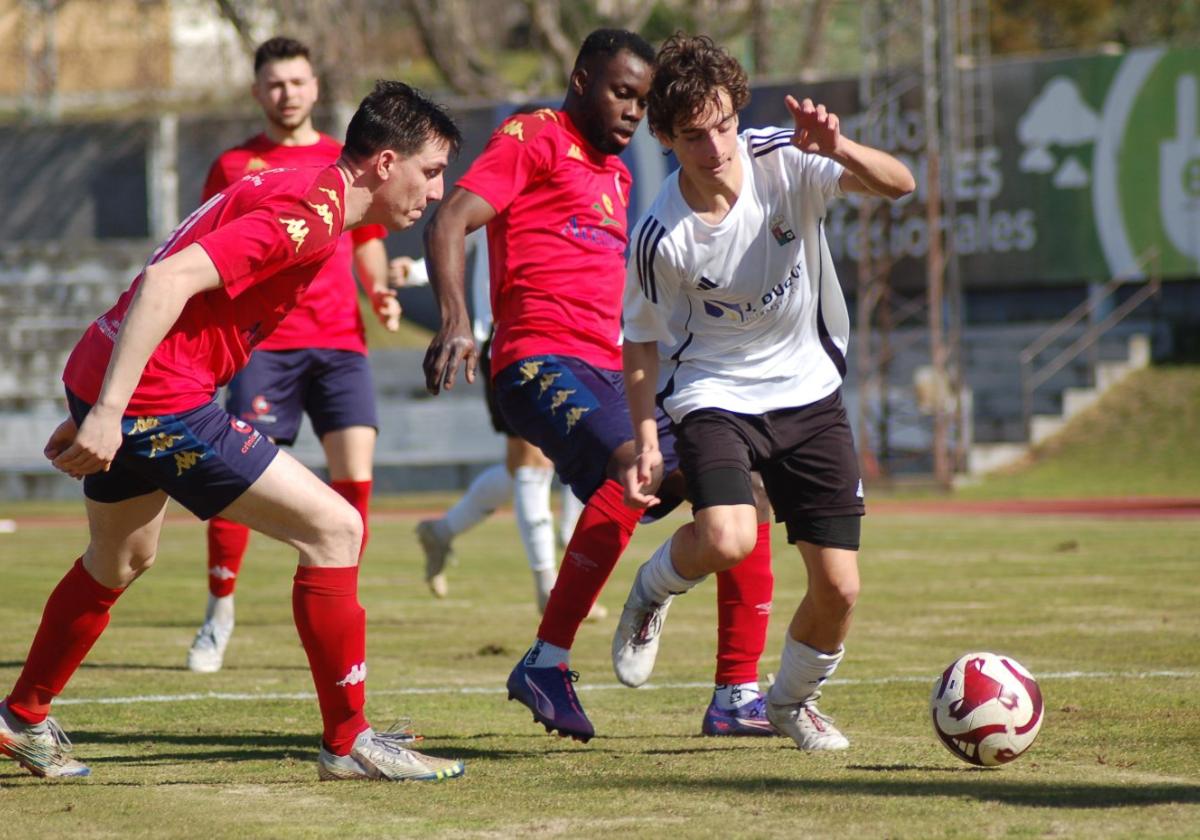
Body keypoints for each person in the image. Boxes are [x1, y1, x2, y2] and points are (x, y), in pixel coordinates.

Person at [0, 81, 467, 782]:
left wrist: (97, 397)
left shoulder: (301, 192)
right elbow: (166, 281)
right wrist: (106, 412)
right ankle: (349, 742)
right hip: (157, 399)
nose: (435, 192)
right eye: (430, 172)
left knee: (118, 561)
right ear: (383, 162)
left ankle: (19, 719)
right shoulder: (308, 215)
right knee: (335, 529)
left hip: (120, 380)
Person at [422, 29, 777, 742]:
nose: (631, 111)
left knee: (745, 492)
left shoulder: (618, 177)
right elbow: (451, 217)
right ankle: (546, 663)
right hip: (535, 362)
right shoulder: (533, 135)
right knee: (631, 466)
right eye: (621, 92)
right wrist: (457, 320)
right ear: (581, 79)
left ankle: (736, 695)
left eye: (641, 101)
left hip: (609, 366)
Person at [615, 34, 915, 751]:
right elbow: (640, 339)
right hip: (713, 393)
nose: (715, 147)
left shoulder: (784, 158)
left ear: (736, 114)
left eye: (723, 125)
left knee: (840, 589)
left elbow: (900, 183)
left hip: (810, 392)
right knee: (727, 535)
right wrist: (648, 440)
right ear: (664, 136)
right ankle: (652, 591)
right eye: (693, 136)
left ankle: (789, 702)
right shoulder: (663, 235)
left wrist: (837, 148)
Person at [186, 37, 399, 674]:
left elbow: (365, 239)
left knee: (355, 471)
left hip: (340, 341)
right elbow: (207, 243)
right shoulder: (233, 164)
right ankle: (218, 608)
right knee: (236, 474)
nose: (288, 93)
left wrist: (380, 290)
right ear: (259, 92)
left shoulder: (344, 158)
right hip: (266, 344)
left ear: (314, 87)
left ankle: (344, 605)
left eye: (298, 82)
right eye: (275, 84)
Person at [392, 242, 589, 612]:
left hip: (566, 336)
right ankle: (550, 588)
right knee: (533, 461)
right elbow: (459, 230)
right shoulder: (504, 184)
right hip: (507, 339)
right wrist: (417, 272)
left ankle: (441, 532)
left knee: (528, 465)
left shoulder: (576, 188)